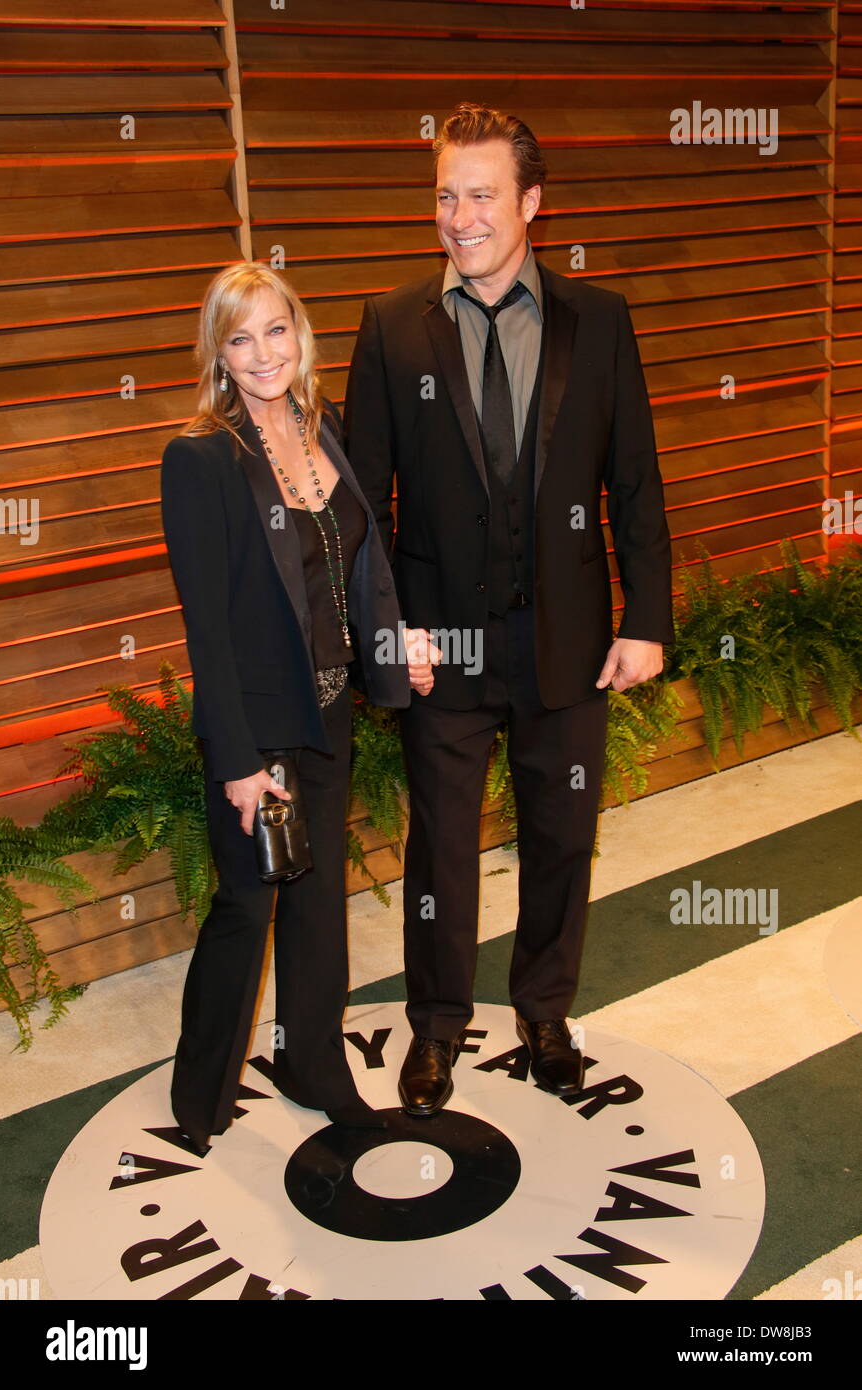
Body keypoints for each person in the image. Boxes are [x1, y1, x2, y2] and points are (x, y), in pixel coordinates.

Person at [344, 103, 674, 1117]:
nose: (458, 216)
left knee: (560, 832)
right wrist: (384, 626)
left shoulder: (600, 321)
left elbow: (634, 483)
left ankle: (542, 1011)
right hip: (440, 642)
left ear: (530, 201)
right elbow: (363, 498)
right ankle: (436, 1025)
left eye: (480, 194)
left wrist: (646, 617)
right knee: (440, 844)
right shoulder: (391, 324)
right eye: (444, 194)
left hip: (565, 636)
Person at [160, 261, 414, 1156]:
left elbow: (350, 571)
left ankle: (316, 1066)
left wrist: (392, 651)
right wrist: (237, 758)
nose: (263, 353)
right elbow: (208, 631)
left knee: (316, 900)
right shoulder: (200, 458)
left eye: (276, 330)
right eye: (240, 337)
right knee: (246, 905)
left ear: (298, 333)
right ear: (219, 354)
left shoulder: (321, 426)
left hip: (330, 708)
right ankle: (199, 1097)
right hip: (260, 729)